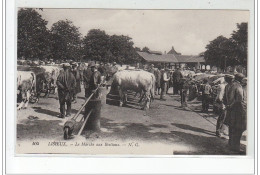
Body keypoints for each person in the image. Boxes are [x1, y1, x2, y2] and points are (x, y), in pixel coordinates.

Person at [226, 73, 246, 153]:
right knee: (239, 128)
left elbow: (227, 97)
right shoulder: (238, 86)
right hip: (237, 110)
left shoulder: (229, 85)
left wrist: (229, 105)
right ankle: (236, 147)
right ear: (241, 79)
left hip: (230, 109)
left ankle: (230, 144)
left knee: (231, 127)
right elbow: (239, 99)